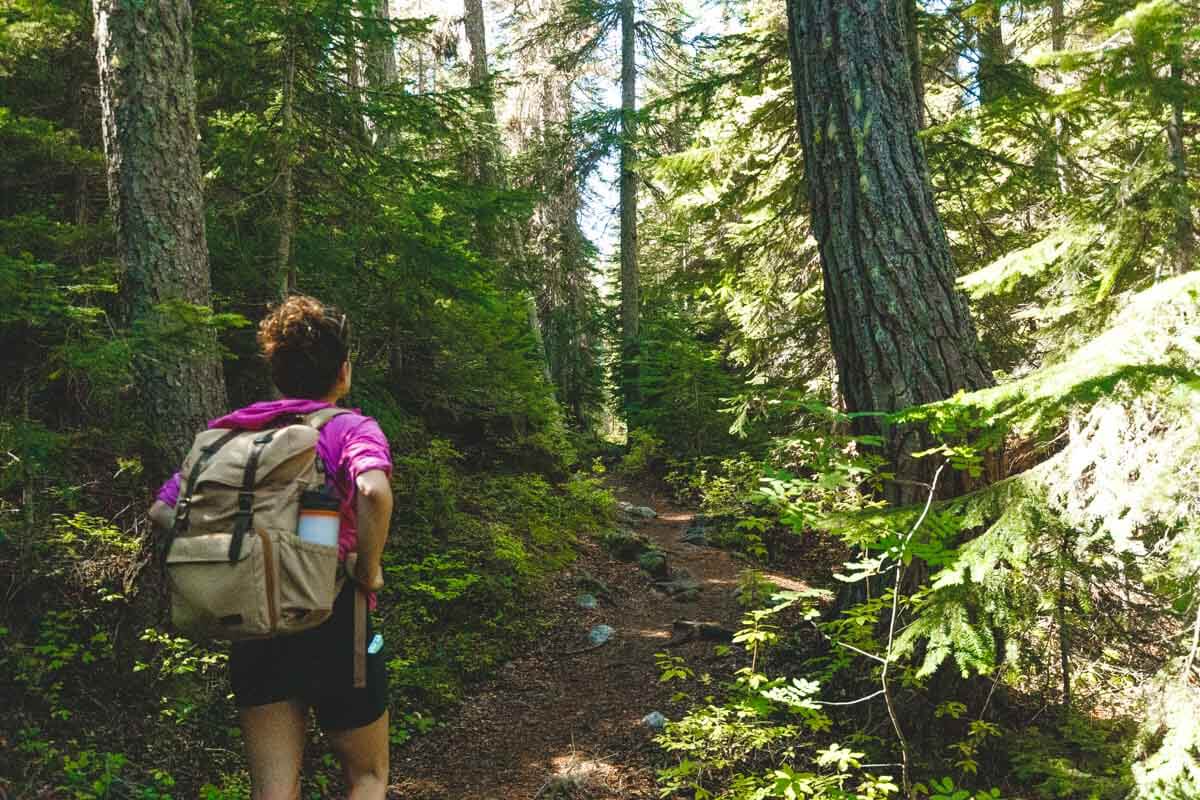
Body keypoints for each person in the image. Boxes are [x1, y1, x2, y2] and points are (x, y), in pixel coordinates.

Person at [147, 295, 393, 800]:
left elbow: (162, 512)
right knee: (366, 777)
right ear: (342, 372)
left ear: (277, 373)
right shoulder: (346, 428)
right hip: (335, 615)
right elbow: (372, 490)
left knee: (274, 791)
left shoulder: (226, 436)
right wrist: (367, 569)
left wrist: (245, 551)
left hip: (252, 624)